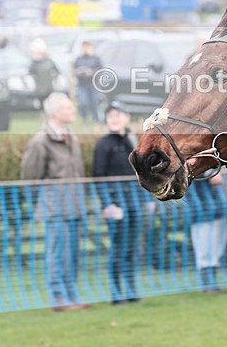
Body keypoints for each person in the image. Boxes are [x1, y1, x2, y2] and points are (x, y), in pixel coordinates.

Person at [20, 92, 90, 312]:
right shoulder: (41, 140)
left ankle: (72, 294)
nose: (73, 111)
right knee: (57, 252)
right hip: (55, 207)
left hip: (75, 205)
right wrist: (42, 202)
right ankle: (57, 297)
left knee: (73, 253)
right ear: (56, 112)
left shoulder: (71, 135)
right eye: (69, 108)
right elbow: (29, 177)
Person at [93, 101, 148, 304]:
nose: (114, 119)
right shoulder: (103, 144)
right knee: (118, 247)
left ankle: (131, 290)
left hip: (134, 202)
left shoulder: (133, 142)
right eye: (110, 116)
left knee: (132, 248)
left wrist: (146, 200)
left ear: (127, 117)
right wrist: (108, 205)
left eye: (118, 115)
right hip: (116, 204)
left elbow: (141, 173)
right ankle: (116, 293)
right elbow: (98, 176)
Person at [187, 169, 227, 293]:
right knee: (204, 248)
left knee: (217, 248)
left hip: (218, 207)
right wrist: (208, 173)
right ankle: (207, 283)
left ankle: (213, 282)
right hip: (200, 209)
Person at [73, 41, 103, 123]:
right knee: (83, 102)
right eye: (84, 47)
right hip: (82, 85)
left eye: (87, 47)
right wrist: (79, 72)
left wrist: (92, 72)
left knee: (95, 103)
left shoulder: (96, 58)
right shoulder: (78, 59)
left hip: (94, 85)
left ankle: (96, 119)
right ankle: (84, 119)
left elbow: (101, 70)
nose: (85, 49)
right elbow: (74, 70)